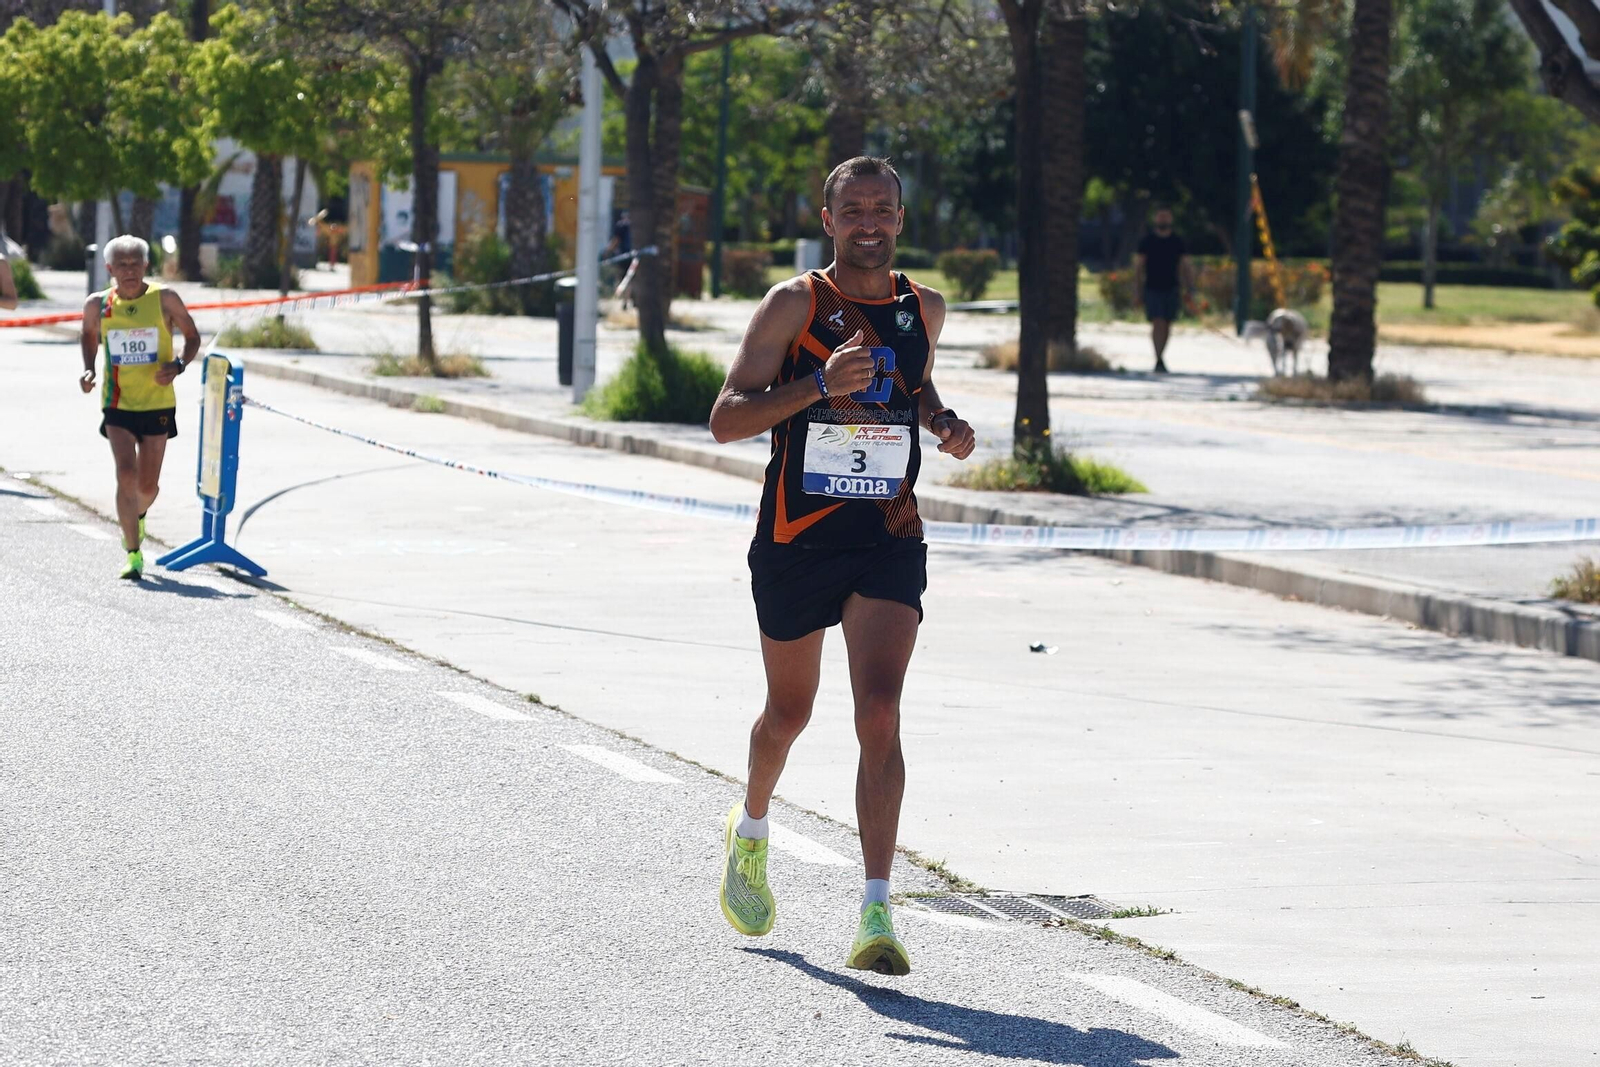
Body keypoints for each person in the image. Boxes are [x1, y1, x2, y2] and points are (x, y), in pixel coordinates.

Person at [708, 156, 976, 976]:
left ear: (901, 217)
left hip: (888, 532)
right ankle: (751, 829)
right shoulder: (796, 303)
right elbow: (725, 419)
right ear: (828, 219)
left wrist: (942, 420)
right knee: (788, 714)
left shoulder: (921, 305)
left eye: (883, 209)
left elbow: (915, 386)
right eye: (853, 209)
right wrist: (817, 386)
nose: (869, 222)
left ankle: (876, 909)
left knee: (882, 710)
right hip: (797, 535)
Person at [79, 235, 201, 580]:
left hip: (157, 402)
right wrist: (89, 368)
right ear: (110, 269)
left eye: (135, 264)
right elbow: (88, 335)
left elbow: (193, 337)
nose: (129, 270)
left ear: (146, 266)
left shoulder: (164, 299)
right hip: (117, 402)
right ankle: (133, 553)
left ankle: (137, 515)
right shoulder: (98, 305)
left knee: (147, 487)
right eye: (122, 265)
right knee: (125, 474)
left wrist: (178, 366)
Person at [1133, 207, 1193, 374]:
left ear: (1171, 219)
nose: (1163, 220)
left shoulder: (1177, 241)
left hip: (1172, 288)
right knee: (1157, 321)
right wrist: (1137, 291)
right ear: (1155, 219)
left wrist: (1189, 289)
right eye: (1160, 216)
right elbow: (1138, 268)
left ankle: (1161, 356)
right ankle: (1158, 357)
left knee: (1167, 324)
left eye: (1166, 217)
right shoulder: (1147, 241)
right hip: (1152, 288)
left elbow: (1186, 266)